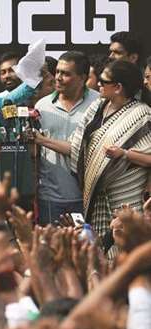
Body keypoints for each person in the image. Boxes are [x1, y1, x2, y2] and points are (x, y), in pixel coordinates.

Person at [70, 60, 151, 245]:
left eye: (103, 81)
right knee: (98, 253)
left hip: (125, 195)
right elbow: (76, 146)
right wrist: (43, 141)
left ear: (118, 87)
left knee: (123, 246)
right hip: (95, 196)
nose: (98, 84)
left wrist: (124, 154)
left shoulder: (142, 114)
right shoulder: (96, 107)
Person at [32, 51, 100, 225]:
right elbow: (36, 153)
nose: (59, 78)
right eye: (58, 72)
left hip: (87, 196)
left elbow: (87, 149)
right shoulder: (43, 105)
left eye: (66, 73)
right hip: (49, 196)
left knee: (84, 249)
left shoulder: (99, 104)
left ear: (82, 78)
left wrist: (42, 140)